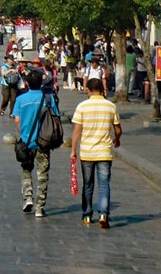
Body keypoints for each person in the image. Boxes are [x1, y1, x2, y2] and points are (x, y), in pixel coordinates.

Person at [71, 78, 121, 228]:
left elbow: (77, 131)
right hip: (104, 152)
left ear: (88, 89)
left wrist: (73, 150)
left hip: (87, 152)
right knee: (104, 184)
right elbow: (118, 129)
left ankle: (87, 215)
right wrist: (117, 139)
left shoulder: (82, 106)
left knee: (88, 184)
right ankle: (103, 214)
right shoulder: (110, 106)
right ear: (102, 89)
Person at [12, 69, 57, 218]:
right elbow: (55, 117)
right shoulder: (48, 99)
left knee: (26, 170)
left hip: (26, 142)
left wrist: (23, 133)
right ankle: (40, 207)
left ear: (27, 84)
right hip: (43, 143)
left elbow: (17, 120)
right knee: (42, 175)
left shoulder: (20, 99)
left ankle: (28, 197)